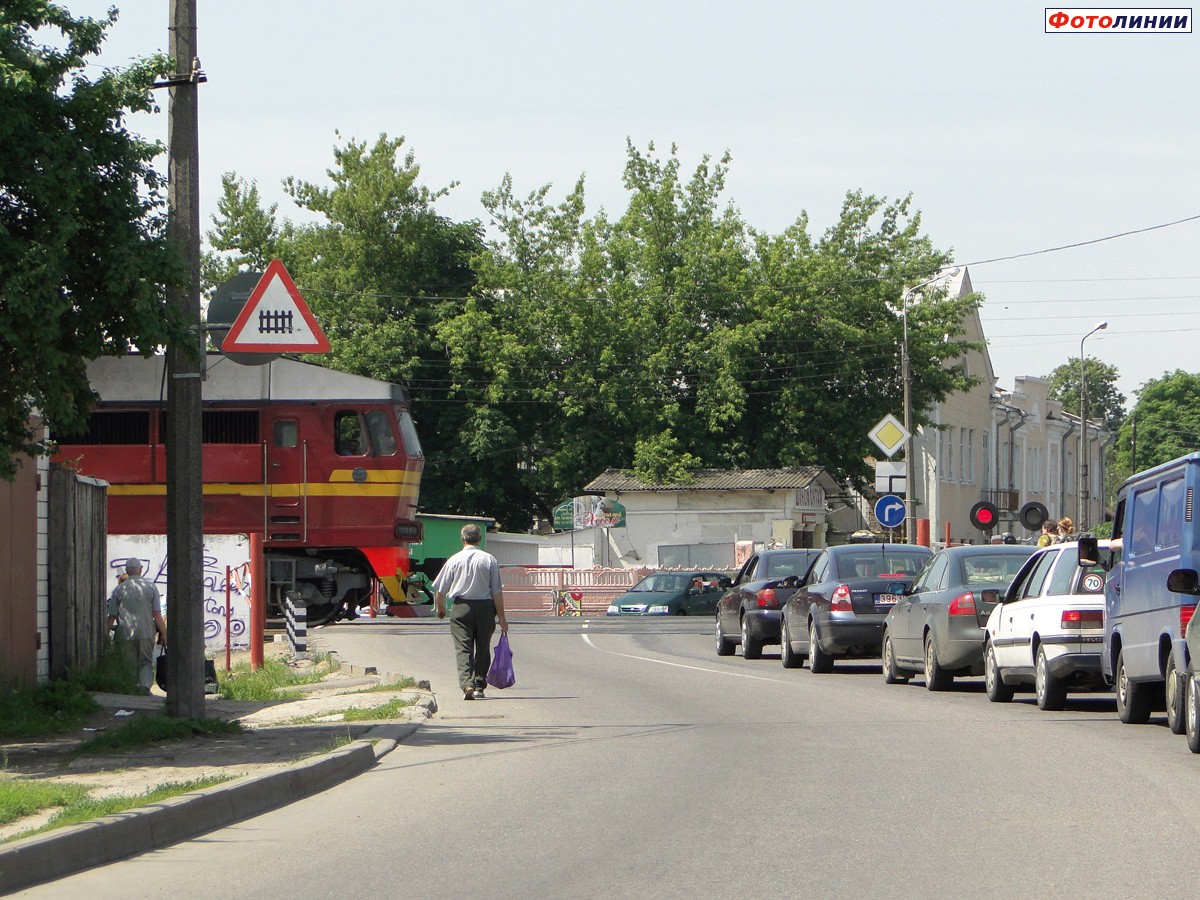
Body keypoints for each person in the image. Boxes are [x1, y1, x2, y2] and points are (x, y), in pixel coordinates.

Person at [432, 524, 508, 700]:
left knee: (463, 648)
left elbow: (441, 589)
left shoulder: (454, 560)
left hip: (461, 608)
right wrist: (502, 618)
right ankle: (479, 686)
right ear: (479, 539)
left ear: (463, 539)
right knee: (483, 647)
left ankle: (466, 684)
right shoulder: (489, 560)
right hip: (485, 608)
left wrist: (441, 608)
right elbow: (497, 591)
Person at [106, 558, 167, 695]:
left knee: (128, 663)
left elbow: (112, 616)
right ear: (141, 569)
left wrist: (105, 634)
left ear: (127, 571)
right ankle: (144, 688)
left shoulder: (118, 590)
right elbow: (157, 614)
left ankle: (131, 689)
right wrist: (164, 633)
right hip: (146, 632)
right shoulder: (151, 587)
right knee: (145, 662)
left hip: (124, 633)